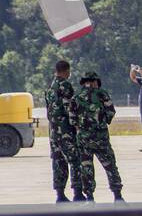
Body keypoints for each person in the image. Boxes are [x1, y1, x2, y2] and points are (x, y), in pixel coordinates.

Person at [72, 70, 125, 202]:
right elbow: (111, 111)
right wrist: (102, 122)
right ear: (95, 82)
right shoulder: (102, 94)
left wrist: (83, 128)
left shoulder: (76, 97)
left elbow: (72, 120)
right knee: (110, 166)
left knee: (86, 167)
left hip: (84, 140)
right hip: (101, 138)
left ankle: (89, 197)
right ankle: (117, 195)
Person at [45, 60, 84, 203]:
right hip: (65, 130)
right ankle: (78, 193)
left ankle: (60, 194)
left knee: (58, 161)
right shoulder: (65, 86)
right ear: (66, 71)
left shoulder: (50, 87)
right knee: (75, 160)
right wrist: (77, 126)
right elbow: (70, 109)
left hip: (53, 131)